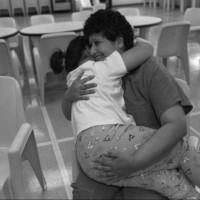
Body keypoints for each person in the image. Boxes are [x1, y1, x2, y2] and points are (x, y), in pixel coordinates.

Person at [62, 10, 200, 200]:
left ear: (119, 42)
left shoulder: (148, 70)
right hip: (107, 159)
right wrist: (69, 97)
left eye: (97, 43)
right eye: (90, 45)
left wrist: (135, 162)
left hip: (146, 157)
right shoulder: (92, 75)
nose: (93, 51)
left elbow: (177, 126)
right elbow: (69, 114)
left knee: (168, 181)